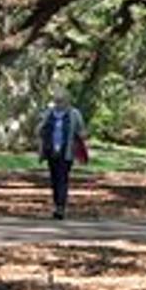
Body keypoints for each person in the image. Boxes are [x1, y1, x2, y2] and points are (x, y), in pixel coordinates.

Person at [38, 89, 88, 220]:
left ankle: (60, 208)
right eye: (56, 101)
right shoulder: (49, 113)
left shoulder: (74, 114)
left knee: (63, 178)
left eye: (61, 101)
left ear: (67, 101)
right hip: (51, 151)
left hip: (66, 152)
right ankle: (56, 204)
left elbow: (82, 130)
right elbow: (40, 129)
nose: (58, 104)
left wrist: (82, 136)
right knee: (54, 179)